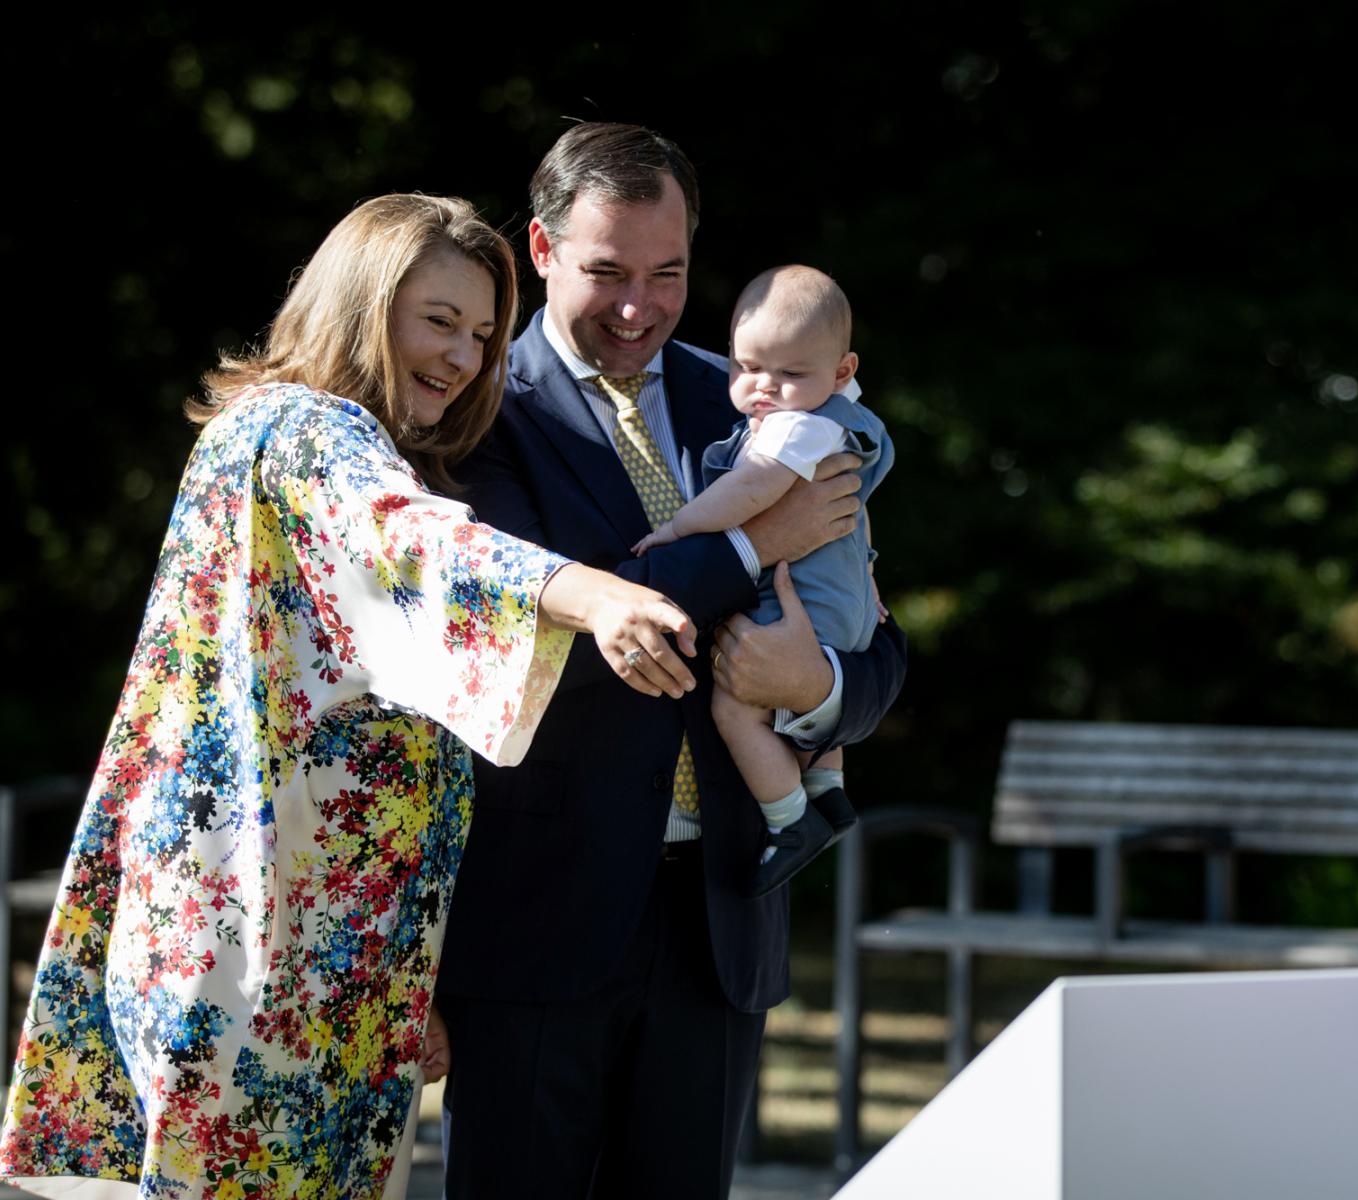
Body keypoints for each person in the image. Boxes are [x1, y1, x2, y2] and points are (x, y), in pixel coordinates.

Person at [0, 194, 696, 1200]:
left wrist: (413, 973)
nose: (462, 358)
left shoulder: (280, 438)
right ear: (362, 306)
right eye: (438, 319)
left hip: (294, 944)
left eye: (482, 334)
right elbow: (410, 539)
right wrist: (588, 593)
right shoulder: (307, 433)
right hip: (262, 949)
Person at [435, 124, 908, 1200]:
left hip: (719, 924)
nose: (640, 309)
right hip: (535, 924)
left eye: (669, 274)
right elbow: (542, 642)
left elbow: (870, 638)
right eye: (607, 272)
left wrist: (819, 691)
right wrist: (748, 547)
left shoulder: (758, 392)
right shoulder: (475, 414)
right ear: (541, 250)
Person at [632, 265, 893, 897]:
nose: (764, 389)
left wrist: (678, 529)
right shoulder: (841, 420)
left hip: (804, 601)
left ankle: (790, 819)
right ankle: (827, 789)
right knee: (809, 674)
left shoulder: (796, 426)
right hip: (849, 599)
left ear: (842, 372)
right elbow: (855, 515)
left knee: (738, 705)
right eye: (746, 367)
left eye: (790, 374)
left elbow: (749, 491)